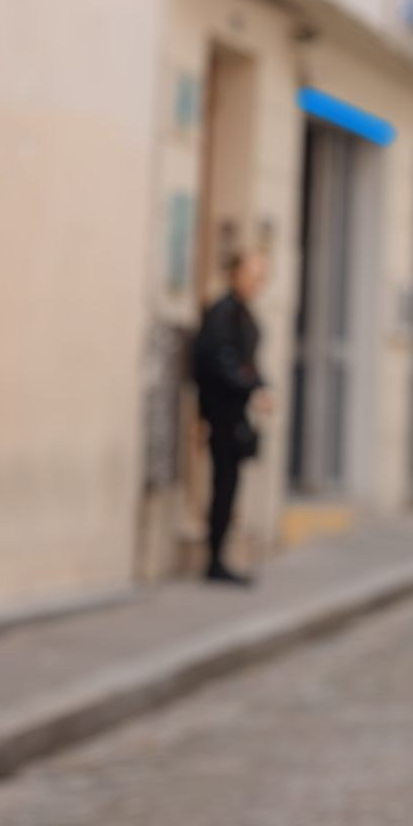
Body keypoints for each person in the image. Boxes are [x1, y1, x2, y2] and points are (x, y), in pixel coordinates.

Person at [191, 248, 267, 586]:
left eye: (262, 277)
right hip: (223, 412)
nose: (258, 283)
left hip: (234, 411)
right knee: (224, 484)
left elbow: (245, 362)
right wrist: (252, 385)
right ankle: (215, 560)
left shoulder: (241, 313)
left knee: (229, 484)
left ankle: (219, 556)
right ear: (236, 274)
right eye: (253, 275)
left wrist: (260, 385)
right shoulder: (224, 313)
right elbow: (221, 362)